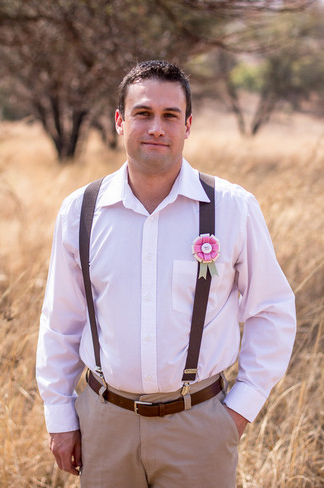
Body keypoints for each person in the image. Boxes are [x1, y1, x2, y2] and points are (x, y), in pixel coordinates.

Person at [36, 60, 296, 488]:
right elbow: (60, 322)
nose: (156, 127)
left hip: (199, 427)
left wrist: (237, 412)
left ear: (187, 126)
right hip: (104, 426)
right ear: (120, 121)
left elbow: (272, 311)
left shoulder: (232, 207)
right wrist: (60, 416)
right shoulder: (80, 211)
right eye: (143, 114)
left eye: (170, 116)